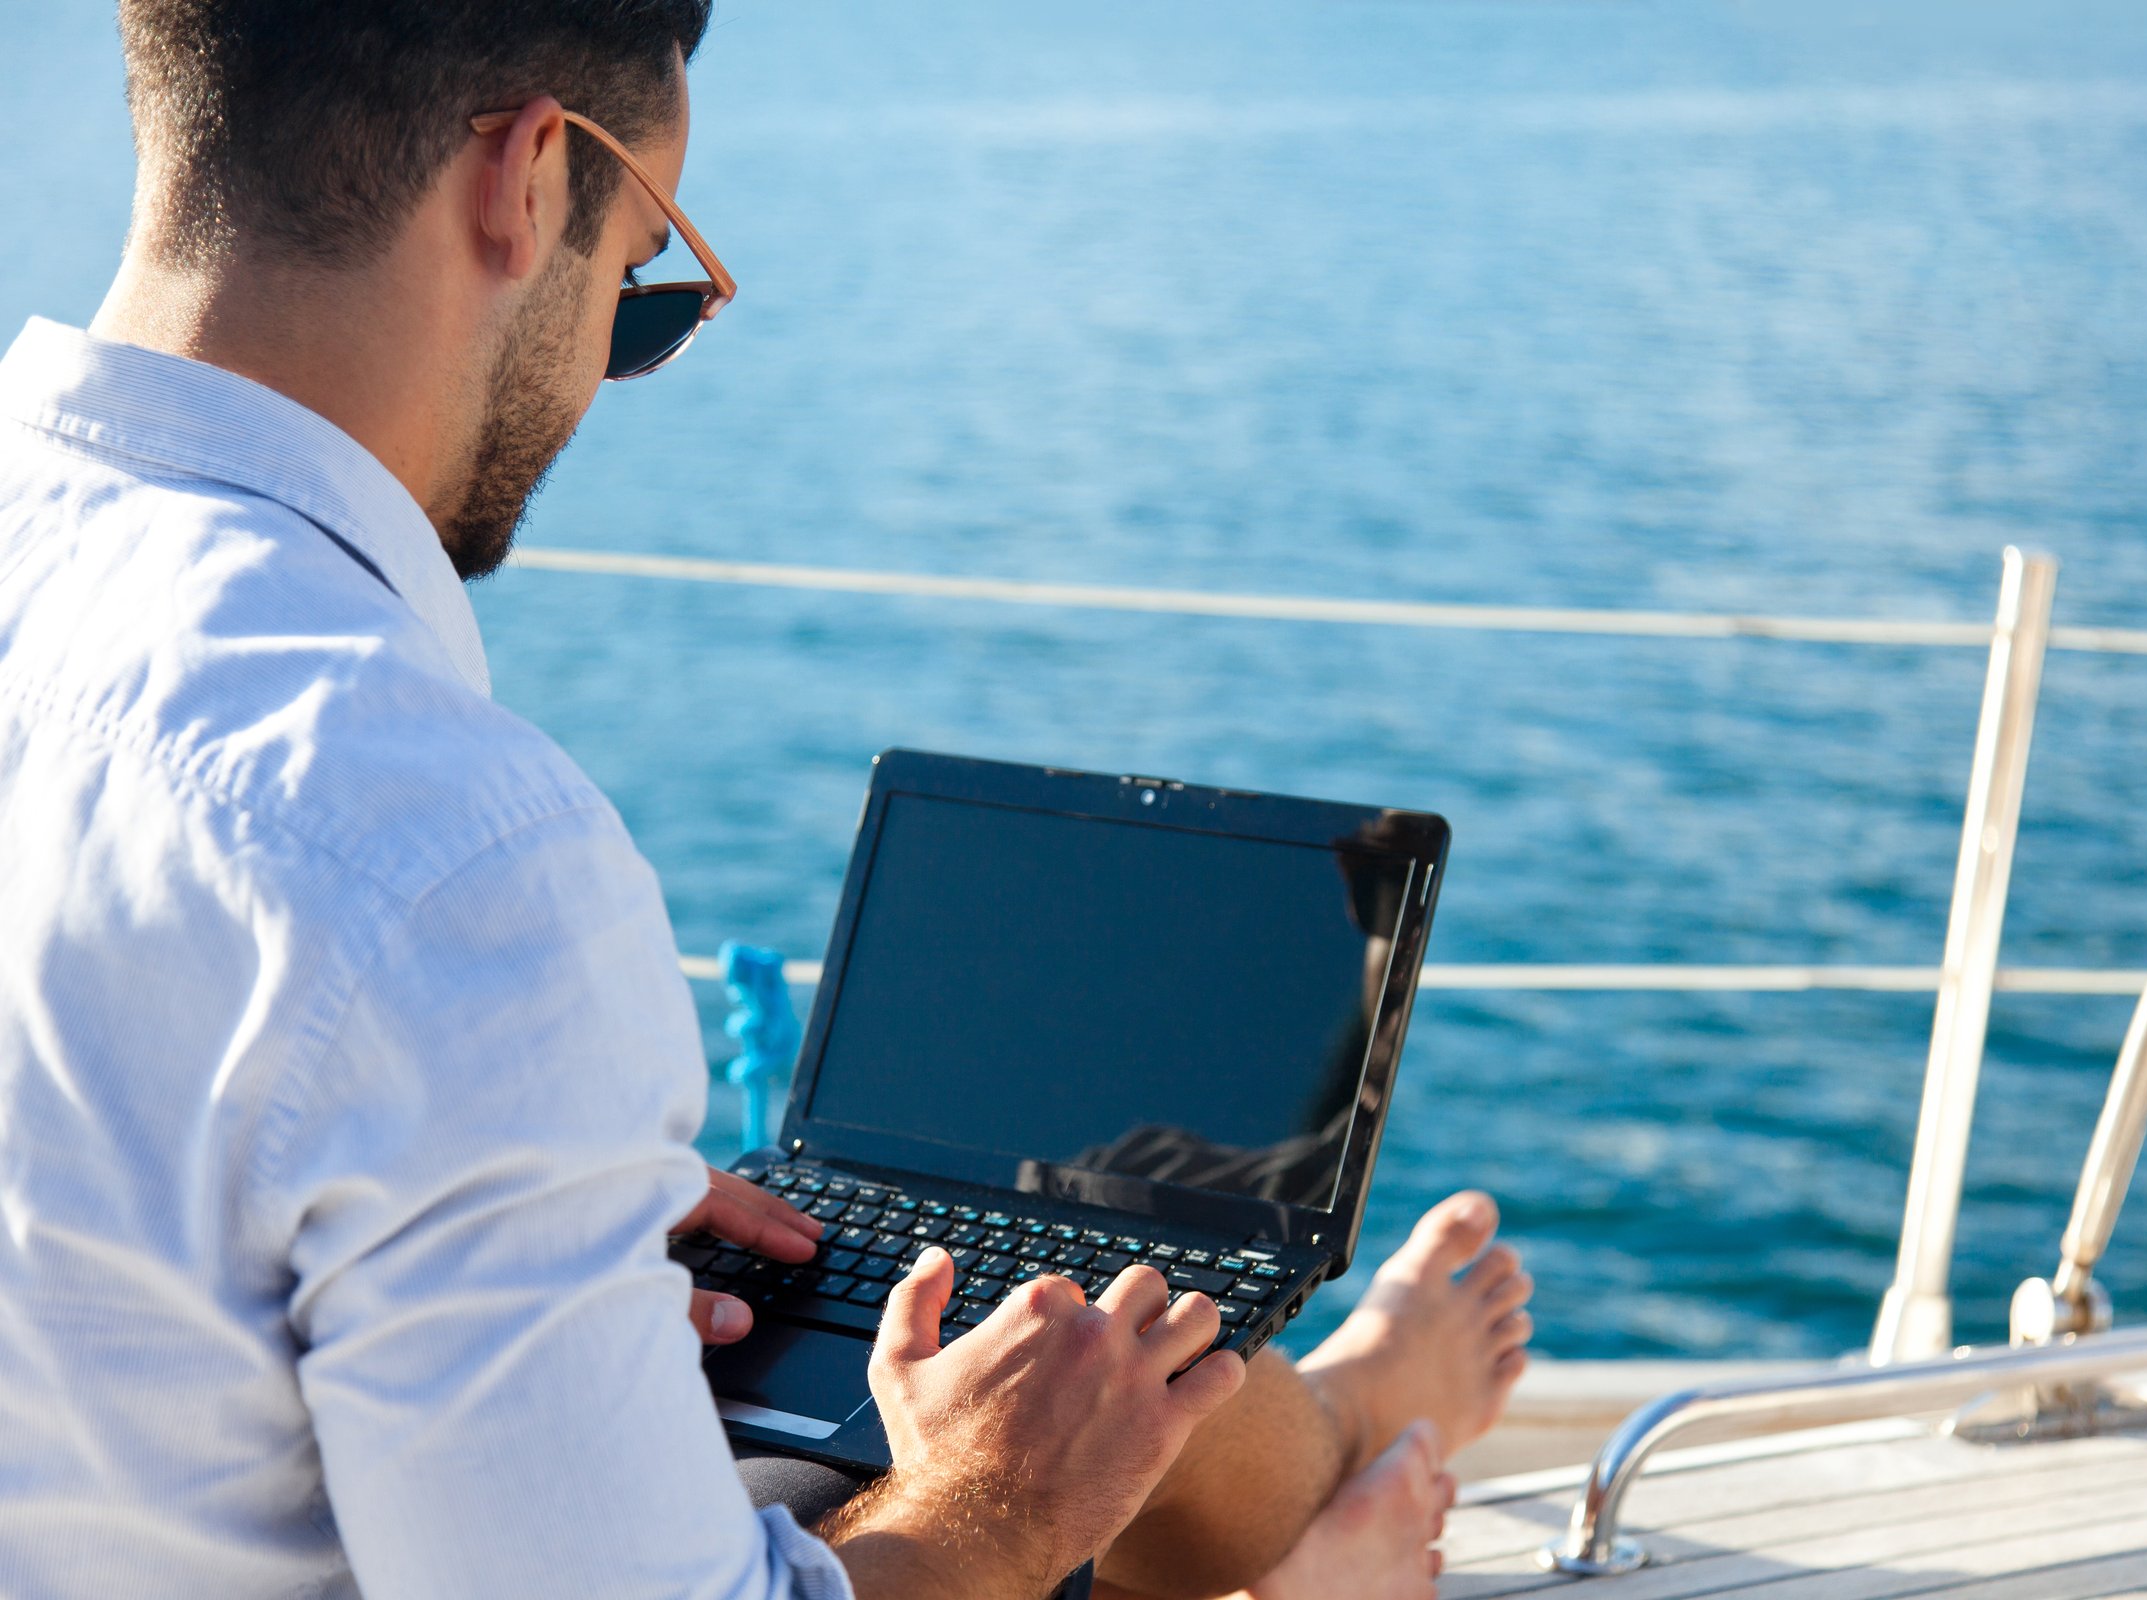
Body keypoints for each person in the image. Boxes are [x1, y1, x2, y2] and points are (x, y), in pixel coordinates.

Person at [0, 4, 1535, 1597]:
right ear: (529, 180)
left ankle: (1344, 1417)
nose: (613, 356)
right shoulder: (443, 851)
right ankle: (1329, 1515)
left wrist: (529, 1225)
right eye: (642, 282)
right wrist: (1001, 1506)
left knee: (1021, 1335)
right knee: (1054, 1399)